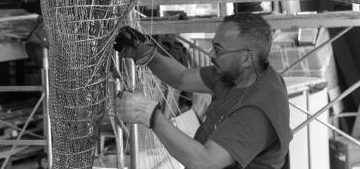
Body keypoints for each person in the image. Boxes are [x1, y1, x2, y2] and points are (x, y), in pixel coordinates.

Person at [114, 12, 291, 169]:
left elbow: (204, 162)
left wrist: (150, 115)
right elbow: (181, 77)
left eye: (218, 50)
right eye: (213, 46)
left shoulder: (258, 111)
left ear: (246, 58)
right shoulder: (238, 73)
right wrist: (148, 55)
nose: (211, 54)